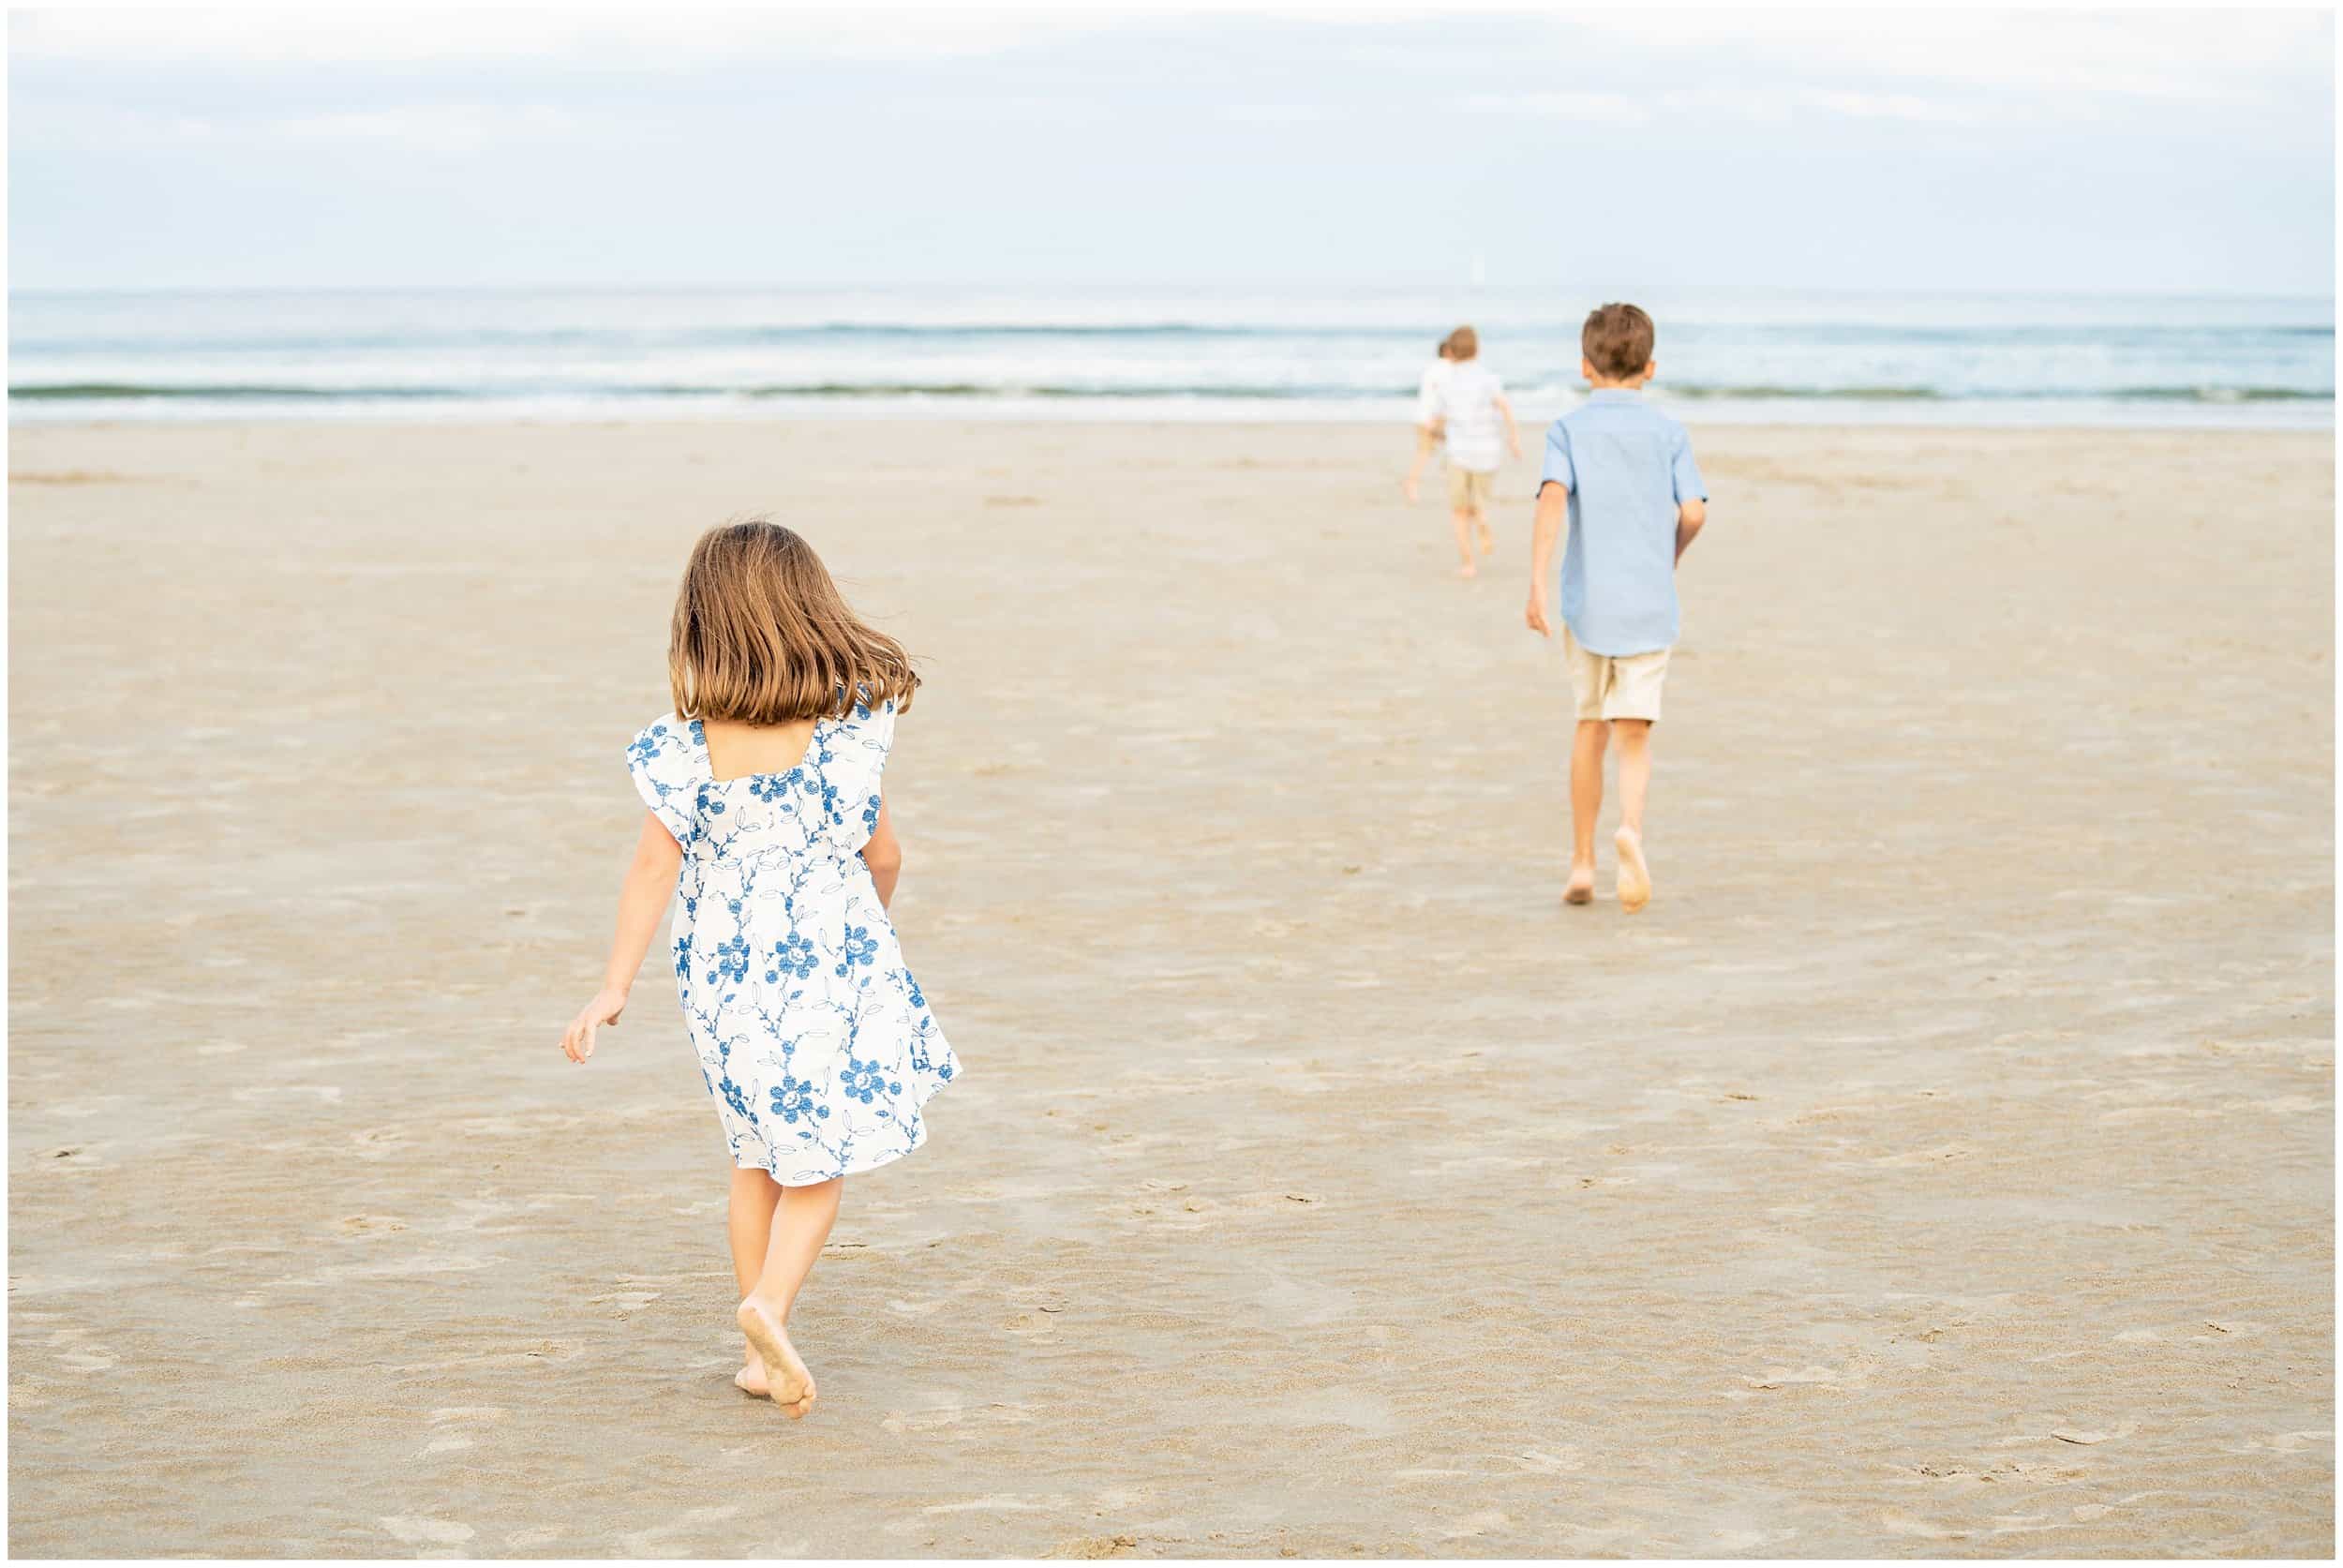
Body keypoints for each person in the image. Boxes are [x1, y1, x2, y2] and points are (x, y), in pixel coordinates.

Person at [559, 519, 959, 1417]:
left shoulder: (682, 746)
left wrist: (614, 986)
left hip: (722, 974)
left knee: (754, 1154)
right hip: (829, 960)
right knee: (819, 1162)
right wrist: (864, 933)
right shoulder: (847, 731)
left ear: (704, 623)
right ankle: (768, 1306)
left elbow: (651, 869)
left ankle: (753, 1355)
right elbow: (884, 854)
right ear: (810, 611)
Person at [1524, 303, 1708, 911]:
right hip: (1650, 608)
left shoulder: (1568, 430)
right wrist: (1671, 555)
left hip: (1588, 607)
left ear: (1585, 366)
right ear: (1650, 368)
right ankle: (1629, 827)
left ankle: (1582, 861)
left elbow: (1552, 499)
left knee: (1589, 727)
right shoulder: (1669, 433)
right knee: (1633, 732)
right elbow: (1695, 511)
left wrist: (1537, 584)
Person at [1408, 325, 1520, 578]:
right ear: (1476, 349)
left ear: (1451, 351)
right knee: (1479, 501)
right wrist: (1513, 438)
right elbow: (1504, 407)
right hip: (1487, 451)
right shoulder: (1488, 377)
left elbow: (1434, 419)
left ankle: (1468, 563)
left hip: (1458, 452)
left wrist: (1434, 432)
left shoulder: (1445, 381)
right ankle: (1481, 516)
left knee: (1458, 510)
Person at [1401, 331, 1457, 503]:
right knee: (1436, 451)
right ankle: (1412, 483)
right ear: (1448, 352)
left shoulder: (1432, 368)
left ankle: (1414, 482)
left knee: (1428, 452)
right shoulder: (1447, 368)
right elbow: (1443, 394)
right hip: (1435, 418)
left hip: (1424, 416)